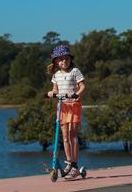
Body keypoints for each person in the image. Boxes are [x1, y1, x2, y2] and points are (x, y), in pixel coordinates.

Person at [46, 44, 86, 179]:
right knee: (64, 137)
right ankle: (69, 162)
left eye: (66, 58)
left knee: (73, 135)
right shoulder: (56, 75)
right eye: (61, 59)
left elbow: (82, 86)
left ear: (70, 59)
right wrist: (52, 93)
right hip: (62, 106)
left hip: (74, 105)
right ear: (56, 61)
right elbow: (55, 90)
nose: (64, 61)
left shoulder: (75, 71)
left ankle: (75, 164)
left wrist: (75, 94)